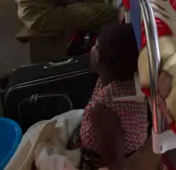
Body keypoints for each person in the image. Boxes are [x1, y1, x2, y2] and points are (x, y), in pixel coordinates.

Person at [70, 23, 164, 170]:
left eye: (97, 47)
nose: (92, 49)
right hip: (124, 140)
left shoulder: (105, 109)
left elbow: (114, 163)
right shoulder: (132, 78)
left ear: (105, 60)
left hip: (105, 156)